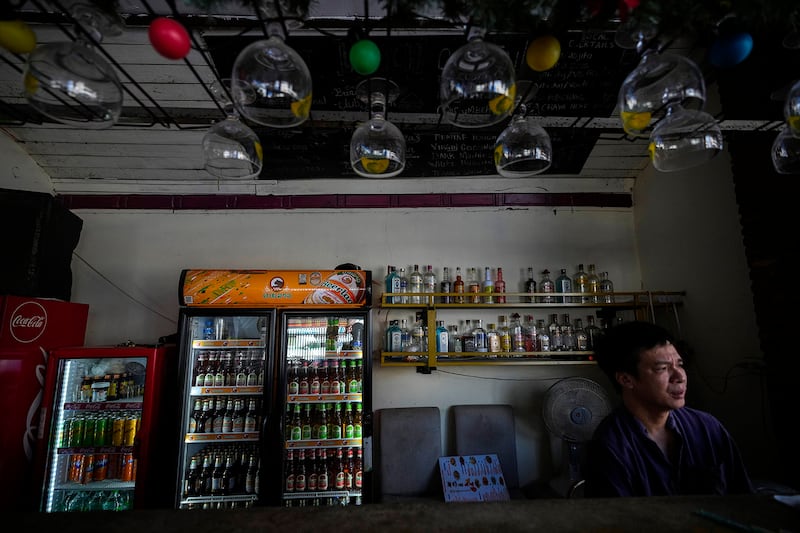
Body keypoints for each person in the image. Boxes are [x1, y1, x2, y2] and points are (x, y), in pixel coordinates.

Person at [584, 320, 754, 497]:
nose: (680, 376)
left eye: (679, 365)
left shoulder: (707, 428)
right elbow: (615, 521)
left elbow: (743, 499)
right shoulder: (610, 447)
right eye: (662, 368)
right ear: (626, 380)